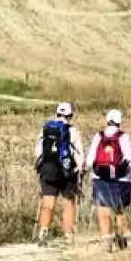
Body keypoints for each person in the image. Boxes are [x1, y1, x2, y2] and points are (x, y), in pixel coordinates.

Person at [85, 108, 131, 251]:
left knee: (103, 209)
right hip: (121, 178)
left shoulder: (98, 136)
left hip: (100, 178)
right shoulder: (123, 137)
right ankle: (121, 237)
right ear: (120, 122)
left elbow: (89, 160)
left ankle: (106, 240)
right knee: (119, 209)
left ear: (107, 120)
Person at [34, 101, 85, 246]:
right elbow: (79, 155)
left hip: (48, 170)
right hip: (67, 173)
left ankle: (43, 232)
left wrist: (42, 165)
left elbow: (38, 150)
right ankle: (68, 235)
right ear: (70, 115)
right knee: (68, 203)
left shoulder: (46, 128)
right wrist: (80, 170)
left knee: (48, 202)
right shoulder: (73, 131)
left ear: (57, 113)